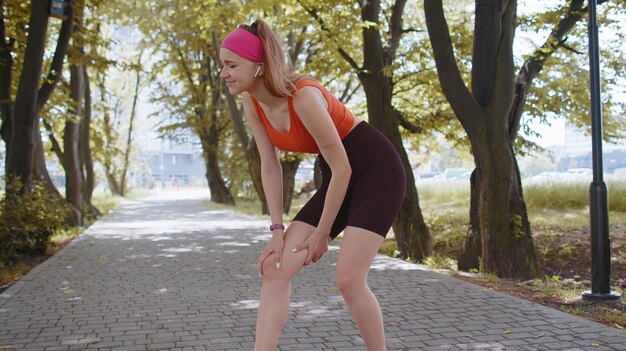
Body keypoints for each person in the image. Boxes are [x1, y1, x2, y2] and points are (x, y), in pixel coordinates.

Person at [219, 19, 406, 351]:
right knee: (274, 268)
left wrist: (323, 232)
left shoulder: (302, 95)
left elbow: (344, 168)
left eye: (231, 65)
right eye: (223, 65)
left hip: (376, 169)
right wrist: (277, 229)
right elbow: (270, 165)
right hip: (337, 173)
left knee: (348, 280)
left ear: (259, 65)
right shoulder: (251, 101)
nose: (224, 73)